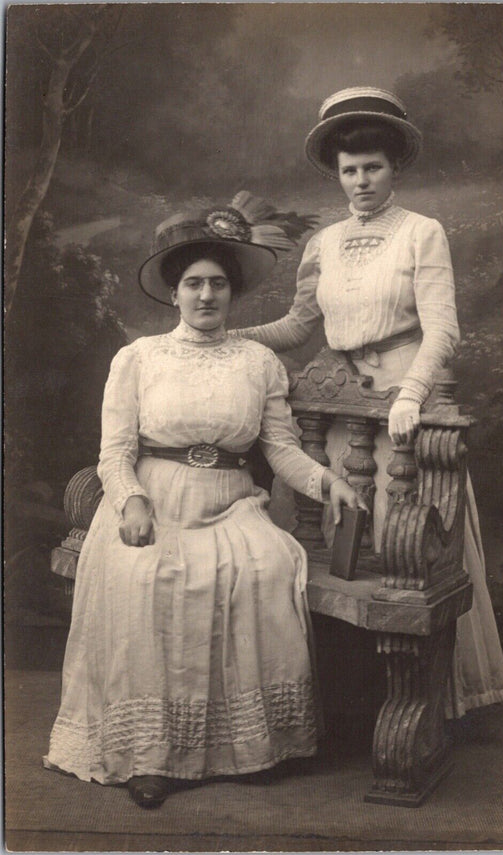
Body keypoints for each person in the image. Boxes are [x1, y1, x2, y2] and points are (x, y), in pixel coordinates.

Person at [43, 193, 359, 809]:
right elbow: (114, 453)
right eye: (193, 283)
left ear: (232, 292)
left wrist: (328, 482)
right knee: (148, 576)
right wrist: (131, 502)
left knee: (267, 568)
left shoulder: (259, 361)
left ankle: (248, 746)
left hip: (231, 501)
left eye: (218, 284)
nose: (206, 296)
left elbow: (283, 449)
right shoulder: (138, 359)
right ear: (173, 291)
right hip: (154, 499)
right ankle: (150, 757)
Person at [232, 87, 503, 719]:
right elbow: (300, 324)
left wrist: (411, 391)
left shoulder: (422, 232)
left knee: (405, 546)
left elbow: (443, 328)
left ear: (395, 169)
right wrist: (227, 334)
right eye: (349, 171)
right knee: (333, 541)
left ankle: (422, 699)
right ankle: (344, 692)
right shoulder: (324, 243)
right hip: (342, 402)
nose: (361, 181)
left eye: (373, 168)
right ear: (338, 174)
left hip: (408, 396)